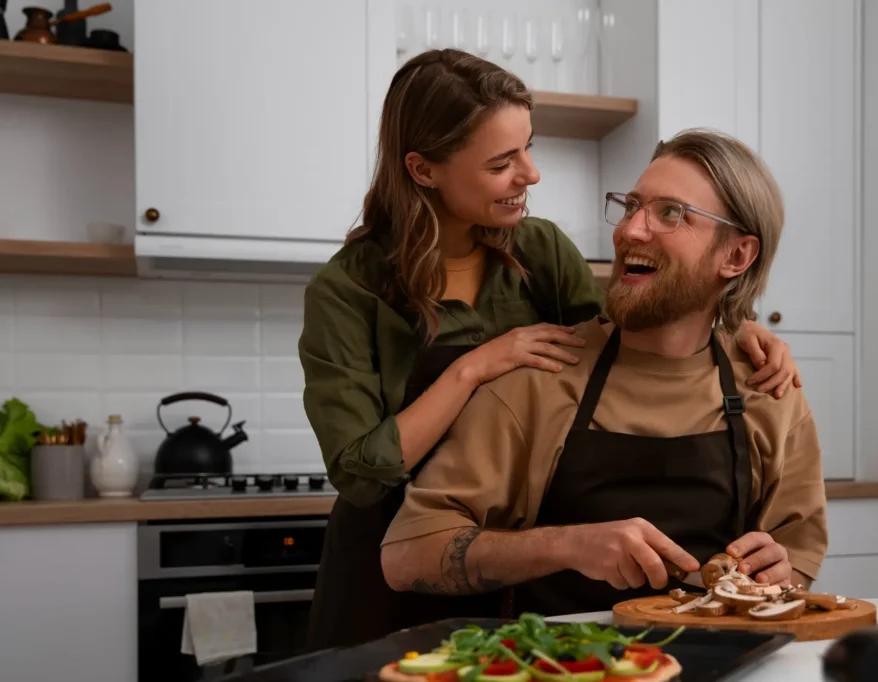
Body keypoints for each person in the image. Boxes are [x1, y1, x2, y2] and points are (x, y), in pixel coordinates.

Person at [299, 49, 803, 650]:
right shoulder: (347, 290)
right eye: (501, 162)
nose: (531, 174)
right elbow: (360, 473)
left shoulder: (536, 249)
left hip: (506, 559)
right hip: (388, 562)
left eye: (528, 148)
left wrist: (733, 320)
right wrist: (471, 369)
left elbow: (624, 331)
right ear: (423, 168)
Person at [378, 127, 829, 617]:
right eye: (632, 205)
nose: (630, 230)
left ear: (737, 255)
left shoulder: (771, 389)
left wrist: (779, 572)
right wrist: (566, 546)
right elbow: (405, 556)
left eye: (670, 213)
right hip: (567, 667)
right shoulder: (539, 378)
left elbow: (796, 560)